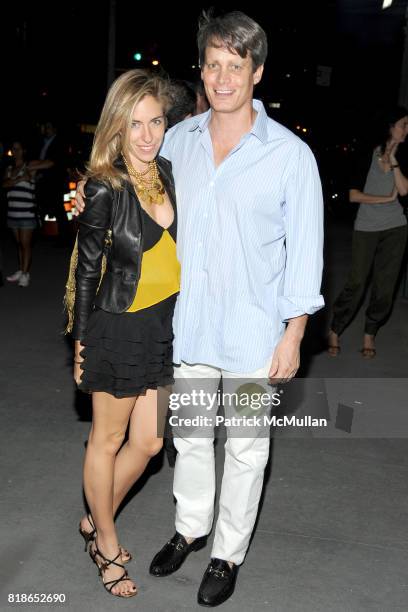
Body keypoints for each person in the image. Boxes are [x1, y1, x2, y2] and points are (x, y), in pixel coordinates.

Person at [75, 11, 324, 607]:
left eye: (235, 66)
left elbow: (307, 255)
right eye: (213, 64)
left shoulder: (290, 155)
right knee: (188, 435)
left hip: (251, 334)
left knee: (245, 447)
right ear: (203, 71)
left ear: (256, 72)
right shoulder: (178, 140)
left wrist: (293, 335)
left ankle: (226, 553)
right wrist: (87, 189)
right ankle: (190, 528)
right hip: (185, 328)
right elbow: (127, 176)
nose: (222, 77)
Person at [69, 69, 178, 598]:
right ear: (117, 126)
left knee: (151, 441)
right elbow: (87, 270)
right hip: (116, 326)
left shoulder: (170, 173)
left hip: (161, 326)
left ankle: (96, 514)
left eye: (155, 121)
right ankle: (106, 546)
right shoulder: (104, 187)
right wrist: (82, 341)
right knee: (107, 439)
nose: (147, 134)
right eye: (135, 124)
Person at [328, 106, 408, 358]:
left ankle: (369, 333)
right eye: (404, 124)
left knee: (385, 287)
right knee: (357, 282)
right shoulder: (366, 154)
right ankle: (335, 329)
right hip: (366, 227)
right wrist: (385, 199)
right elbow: (353, 195)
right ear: (390, 126)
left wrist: (394, 159)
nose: (407, 129)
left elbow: (404, 191)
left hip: (396, 227)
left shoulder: (405, 154)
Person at [29, 120, 70, 245]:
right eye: (45, 127)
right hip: (44, 180)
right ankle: (42, 233)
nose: (46, 129)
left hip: (55, 181)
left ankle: (64, 237)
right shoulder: (42, 142)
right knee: (41, 207)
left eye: (48, 127)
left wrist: (33, 167)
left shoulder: (59, 142)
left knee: (58, 208)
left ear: (54, 129)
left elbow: (53, 162)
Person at [3, 140, 37, 287]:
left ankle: (25, 273)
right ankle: (21, 270)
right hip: (13, 212)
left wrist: (22, 177)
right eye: (13, 149)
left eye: (18, 149)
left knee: (25, 244)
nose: (15, 151)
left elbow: (50, 163)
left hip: (27, 213)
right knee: (19, 244)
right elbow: (5, 184)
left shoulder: (29, 167)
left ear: (23, 151)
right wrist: (19, 179)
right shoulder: (9, 169)